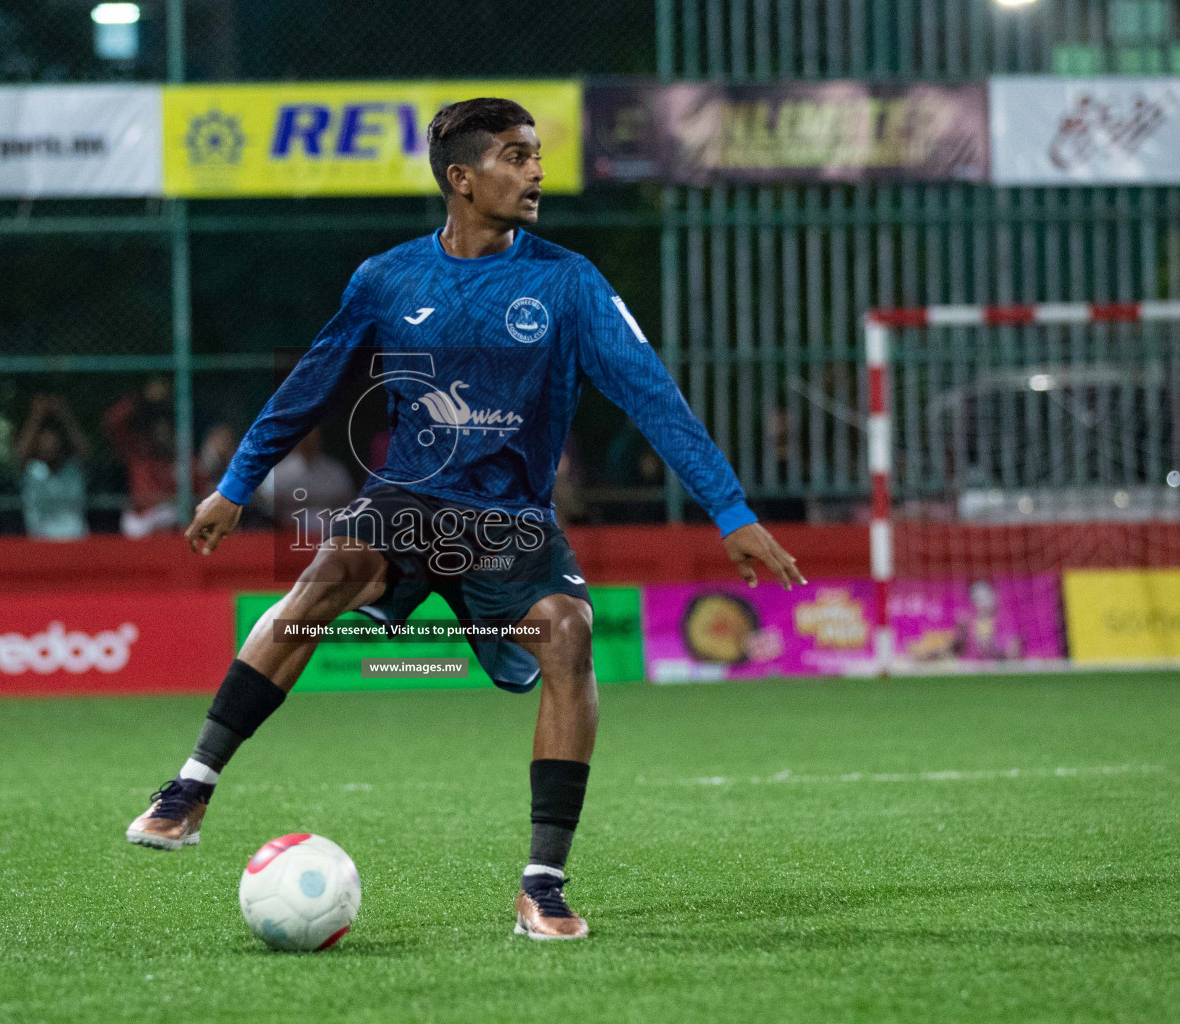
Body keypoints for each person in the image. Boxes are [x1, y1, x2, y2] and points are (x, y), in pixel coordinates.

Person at [126, 98, 805, 941]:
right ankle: (189, 789)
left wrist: (731, 511)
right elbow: (308, 383)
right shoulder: (387, 277)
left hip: (510, 521)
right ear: (462, 178)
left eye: (536, 155)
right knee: (322, 576)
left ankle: (542, 885)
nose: (536, 172)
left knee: (568, 632)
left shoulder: (567, 282)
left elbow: (653, 398)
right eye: (517, 157)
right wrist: (236, 485)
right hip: (408, 499)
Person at [103, 378, 207, 539]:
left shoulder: (184, 457)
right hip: (140, 522)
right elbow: (113, 421)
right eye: (157, 427)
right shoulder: (138, 451)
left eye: (166, 426)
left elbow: (201, 492)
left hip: (172, 524)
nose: (161, 432)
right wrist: (143, 398)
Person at [252, 427, 357, 545]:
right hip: (285, 537)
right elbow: (265, 502)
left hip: (329, 536)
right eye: (305, 437)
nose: (309, 441)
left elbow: (349, 502)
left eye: (313, 436)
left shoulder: (335, 470)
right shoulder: (278, 471)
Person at [14, 395, 90, 541]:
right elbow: (20, 454)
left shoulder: (73, 470)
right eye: (45, 442)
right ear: (37, 445)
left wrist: (65, 414)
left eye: (53, 441)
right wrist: (36, 415)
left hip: (75, 540)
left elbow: (84, 450)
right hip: (40, 543)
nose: (50, 446)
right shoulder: (32, 471)